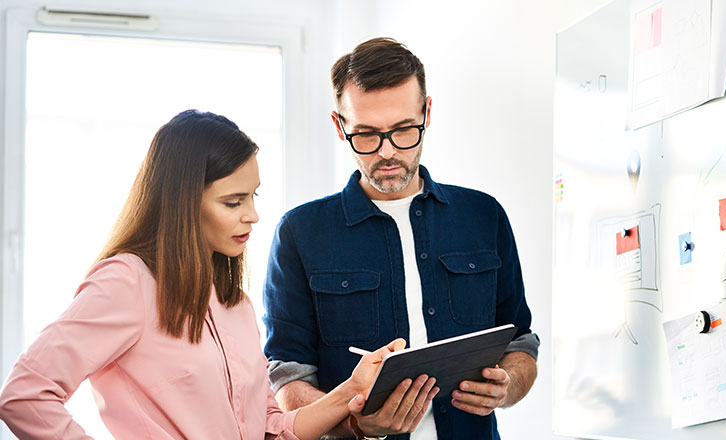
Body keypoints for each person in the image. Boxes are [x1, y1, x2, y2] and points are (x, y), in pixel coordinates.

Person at [0, 110, 437, 439]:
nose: (253, 215)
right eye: (233, 202)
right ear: (183, 201)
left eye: (253, 196)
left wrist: (352, 389)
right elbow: (25, 394)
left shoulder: (234, 304)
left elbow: (271, 427)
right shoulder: (126, 283)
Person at [262, 38, 540, 440]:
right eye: (367, 135)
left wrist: (507, 385)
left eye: (403, 130)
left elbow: (521, 344)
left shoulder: (484, 215)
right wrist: (356, 424)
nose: (387, 152)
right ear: (340, 126)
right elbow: (288, 379)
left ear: (427, 112)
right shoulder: (299, 232)